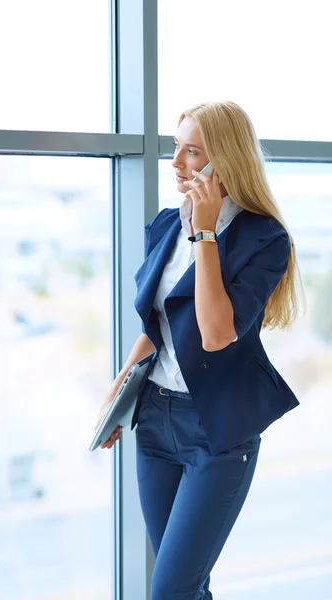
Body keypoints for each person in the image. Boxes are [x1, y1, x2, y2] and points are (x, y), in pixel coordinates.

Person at [94, 100, 303, 600]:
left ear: (225, 161)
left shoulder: (264, 239)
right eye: (175, 148)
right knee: (185, 588)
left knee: (169, 592)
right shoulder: (166, 225)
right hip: (156, 422)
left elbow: (215, 333)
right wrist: (118, 394)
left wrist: (205, 232)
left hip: (217, 434)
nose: (176, 164)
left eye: (192, 152)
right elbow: (160, 326)